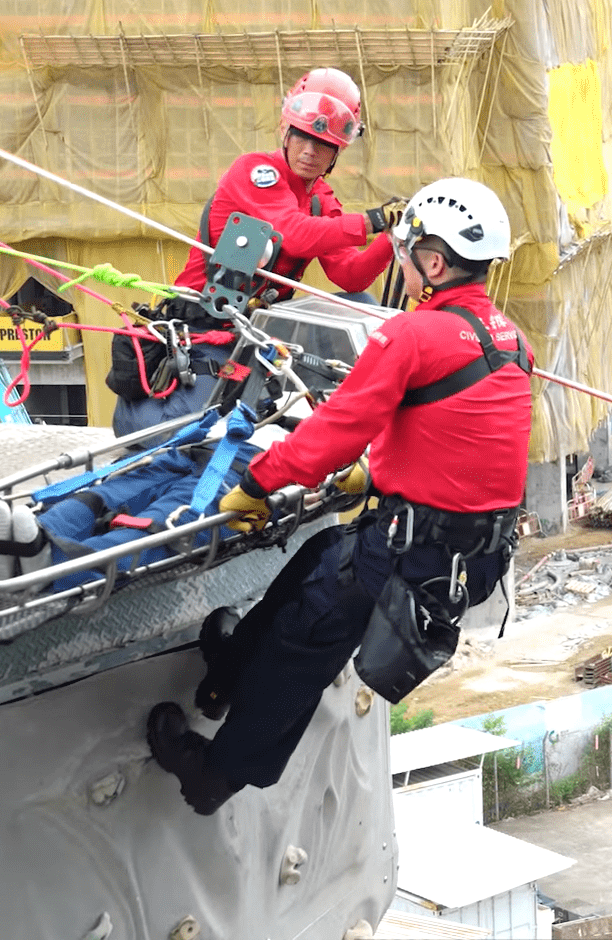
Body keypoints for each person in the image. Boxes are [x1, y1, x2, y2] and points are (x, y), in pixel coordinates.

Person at [145, 177, 532, 816]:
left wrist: (257, 484)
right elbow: (462, 435)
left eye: (407, 251)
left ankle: (214, 775)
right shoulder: (509, 340)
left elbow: (334, 430)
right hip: (470, 553)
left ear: (434, 264)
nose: (400, 262)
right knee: (321, 552)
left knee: (308, 635)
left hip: (417, 552)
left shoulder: (411, 334)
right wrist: (378, 473)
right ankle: (230, 671)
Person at [108, 67, 401, 437]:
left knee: (361, 303)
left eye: (323, 144)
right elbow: (293, 234)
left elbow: (350, 274)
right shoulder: (254, 173)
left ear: (337, 152)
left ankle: (359, 422)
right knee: (182, 438)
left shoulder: (320, 201)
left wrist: (394, 237)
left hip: (258, 334)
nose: (309, 151)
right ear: (285, 131)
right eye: (302, 137)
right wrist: (372, 221)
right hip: (208, 331)